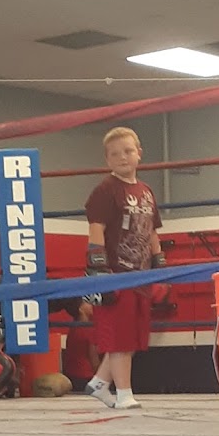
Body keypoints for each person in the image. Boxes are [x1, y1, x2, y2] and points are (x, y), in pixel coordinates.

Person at [84, 126, 164, 410]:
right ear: (107, 159)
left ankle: (99, 383)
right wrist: (98, 267)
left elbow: (151, 230)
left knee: (131, 338)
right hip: (116, 273)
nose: (122, 157)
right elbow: (96, 228)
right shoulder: (105, 190)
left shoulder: (146, 192)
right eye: (115, 153)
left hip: (141, 274)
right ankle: (124, 394)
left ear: (139, 153)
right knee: (119, 338)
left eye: (128, 151)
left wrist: (159, 260)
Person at [63, 300, 100, 392]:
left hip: (71, 376)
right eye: (87, 303)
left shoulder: (73, 328)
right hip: (86, 377)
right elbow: (94, 359)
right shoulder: (89, 330)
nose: (91, 305)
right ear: (81, 309)